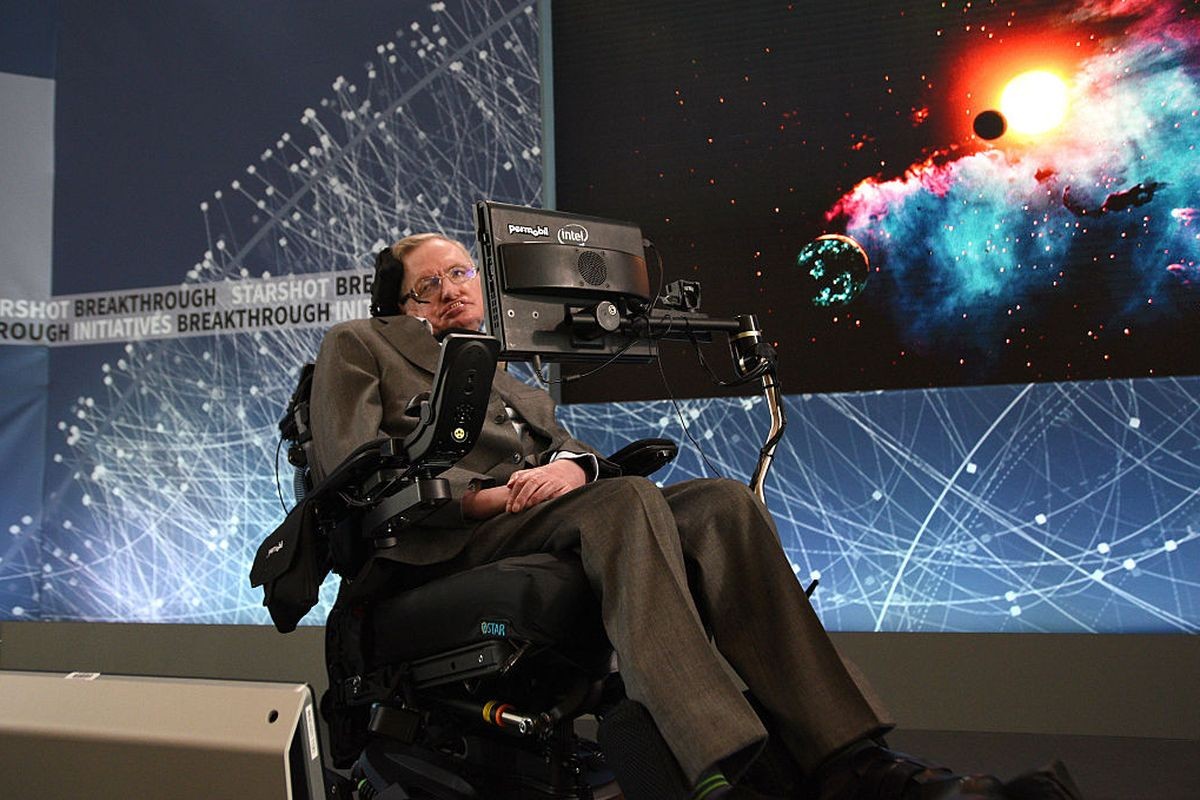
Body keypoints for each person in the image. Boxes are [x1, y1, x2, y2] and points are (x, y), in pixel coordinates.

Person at [308, 233, 1082, 800]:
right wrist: (483, 496)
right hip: (448, 535)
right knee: (624, 503)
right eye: (427, 285)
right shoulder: (361, 345)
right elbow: (351, 470)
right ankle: (719, 765)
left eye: (459, 273)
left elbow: (573, 453)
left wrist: (571, 468)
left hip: (545, 512)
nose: (450, 290)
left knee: (720, 504)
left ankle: (851, 763)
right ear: (399, 306)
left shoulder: (514, 377)